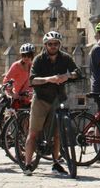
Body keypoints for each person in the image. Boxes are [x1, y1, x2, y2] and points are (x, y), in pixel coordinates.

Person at [22, 31, 80, 176]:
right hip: (41, 99)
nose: (53, 46)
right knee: (33, 132)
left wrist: (67, 76)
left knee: (58, 134)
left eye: (55, 44)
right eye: (50, 44)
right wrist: (50, 79)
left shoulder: (65, 58)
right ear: (45, 45)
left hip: (58, 98)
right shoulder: (38, 60)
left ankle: (56, 163)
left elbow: (78, 72)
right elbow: (32, 80)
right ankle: (28, 164)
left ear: (59, 44)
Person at [4, 43, 35, 108]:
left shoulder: (33, 66)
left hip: (30, 99)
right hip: (18, 99)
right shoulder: (16, 66)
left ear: (32, 56)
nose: (26, 57)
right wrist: (12, 94)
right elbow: (6, 80)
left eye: (29, 55)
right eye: (24, 55)